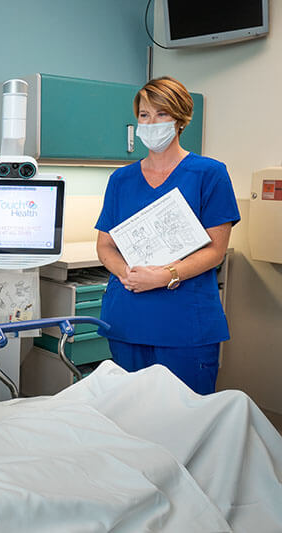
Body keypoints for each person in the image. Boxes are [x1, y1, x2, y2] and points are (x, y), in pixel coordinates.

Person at [95, 76, 240, 394]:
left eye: (161, 114)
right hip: (127, 321)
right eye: (144, 115)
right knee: (128, 418)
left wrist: (165, 275)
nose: (151, 122)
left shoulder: (209, 174)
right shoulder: (121, 179)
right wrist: (128, 274)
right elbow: (105, 245)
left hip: (184, 325)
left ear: (181, 119)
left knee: (184, 423)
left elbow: (215, 251)